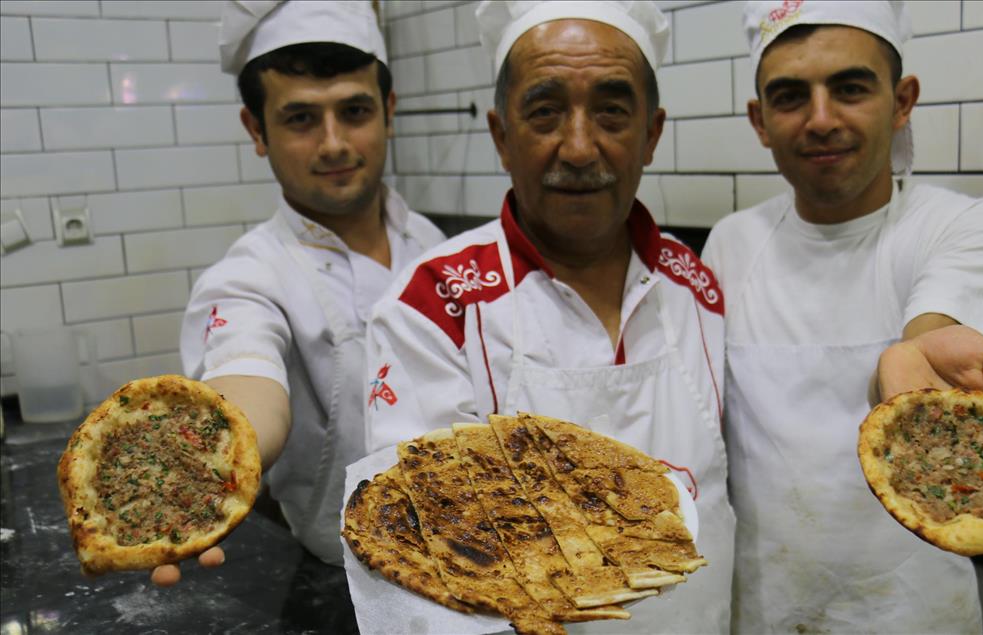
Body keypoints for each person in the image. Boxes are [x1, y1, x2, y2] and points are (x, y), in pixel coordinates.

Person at [358, 1, 735, 632]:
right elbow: (424, 555)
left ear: (652, 133)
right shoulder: (432, 307)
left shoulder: (697, 286)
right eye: (544, 111)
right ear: (501, 135)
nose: (581, 148)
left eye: (613, 111)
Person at [703, 1, 983, 633]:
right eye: (789, 97)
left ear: (902, 100)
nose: (821, 119)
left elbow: (933, 339)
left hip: (912, 614)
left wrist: (907, 363)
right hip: (762, 610)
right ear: (759, 120)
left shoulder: (960, 226)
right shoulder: (730, 244)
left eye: (851, 88)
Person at [166, 0, 445, 585]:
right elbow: (243, 384)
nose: (334, 143)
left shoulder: (433, 246)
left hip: (471, 559)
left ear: (389, 111)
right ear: (256, 129)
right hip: (339, 579)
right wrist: (213, 467)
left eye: (355, 110)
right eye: (300, 119)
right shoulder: (246, 279)